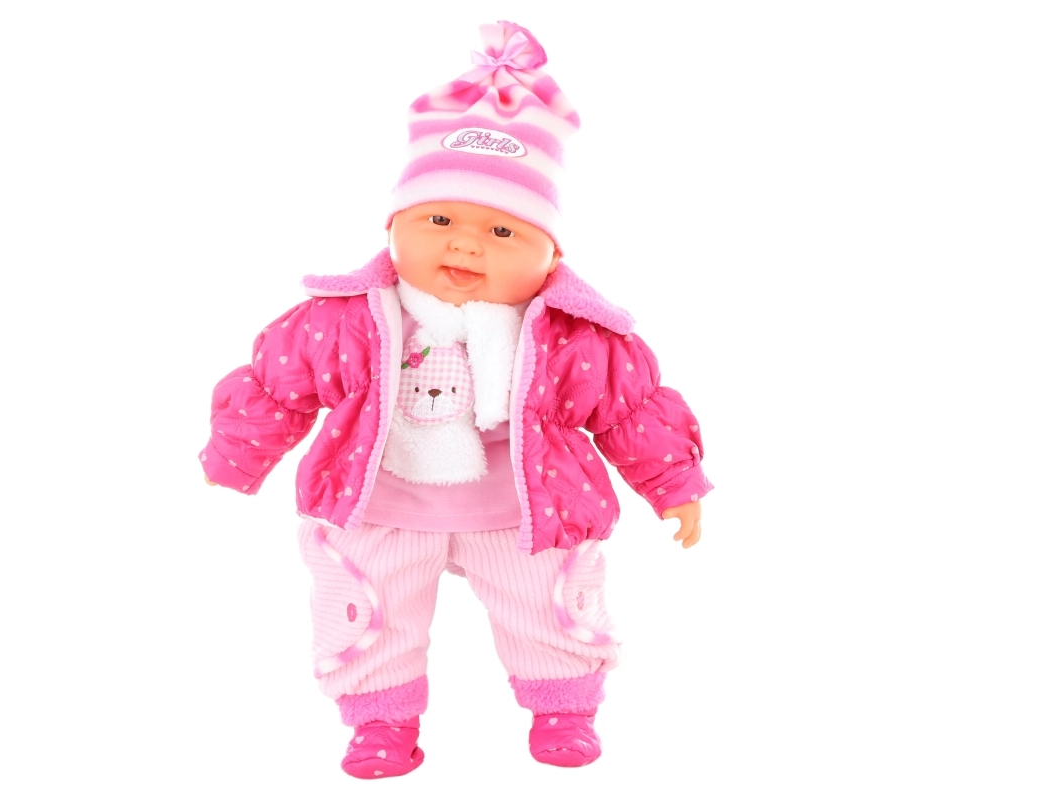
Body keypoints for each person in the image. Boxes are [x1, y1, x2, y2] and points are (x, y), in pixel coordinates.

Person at [200, 20, 711, 779]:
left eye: (503, 231)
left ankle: (564, 708)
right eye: (439, 221)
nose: (466, 245)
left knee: (548, 607)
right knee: (369, 616)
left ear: (551, 255)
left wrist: (675, 485)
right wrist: (234, 456)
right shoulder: (346, 317)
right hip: (381, 504)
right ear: (394, 228)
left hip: (524, 509)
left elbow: (630, 408)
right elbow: (276, 384)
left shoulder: (573, 333)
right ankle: (381, 722)